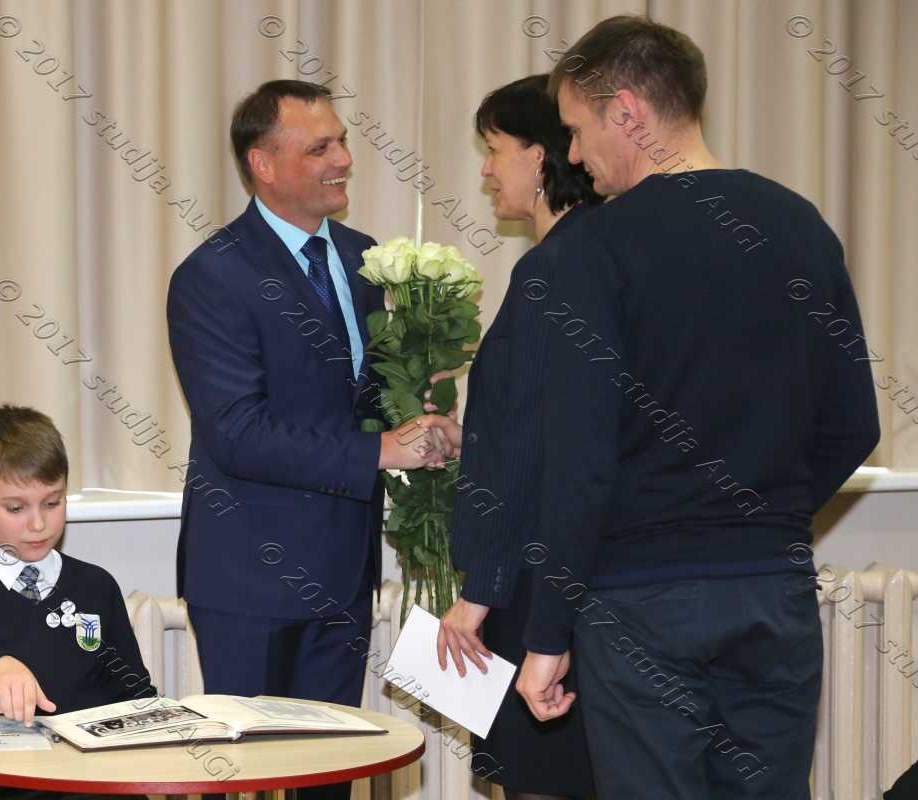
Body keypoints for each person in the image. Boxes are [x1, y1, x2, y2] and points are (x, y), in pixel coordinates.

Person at [505, 15, 879, 799]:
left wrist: (547, 633)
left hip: (639, 601)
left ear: (626, 112)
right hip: (771, 590)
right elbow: (854, 424)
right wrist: (759, 517)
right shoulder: (800, 226)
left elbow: (579, 460)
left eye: (576, 129)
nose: (574, 154)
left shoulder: (592, 248)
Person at [166, 79, 448, 800]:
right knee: (249, 784)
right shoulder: (213, 275)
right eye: (320, 147)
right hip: (248, 581)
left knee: (329, 780)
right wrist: (381, 451)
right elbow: (237, 433)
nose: (344, 159)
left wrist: (421, 410)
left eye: (342, 141)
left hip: (344, 574)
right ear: (263, 164)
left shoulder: (363, 258)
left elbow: (361, 399)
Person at [432, 75, 601, 800]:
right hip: (583, 572)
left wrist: (481, 590)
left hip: (536, 585)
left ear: (540, 156)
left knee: (542, 781)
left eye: (495, 147)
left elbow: (534, 450)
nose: (486, 168)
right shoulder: (599, 255)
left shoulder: (553, 270)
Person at [0, 405, 155, 800]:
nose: (38, 524)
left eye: (52, 503)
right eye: (16, 508)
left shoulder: (95, 586)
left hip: (91, 786)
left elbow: (133, 692)